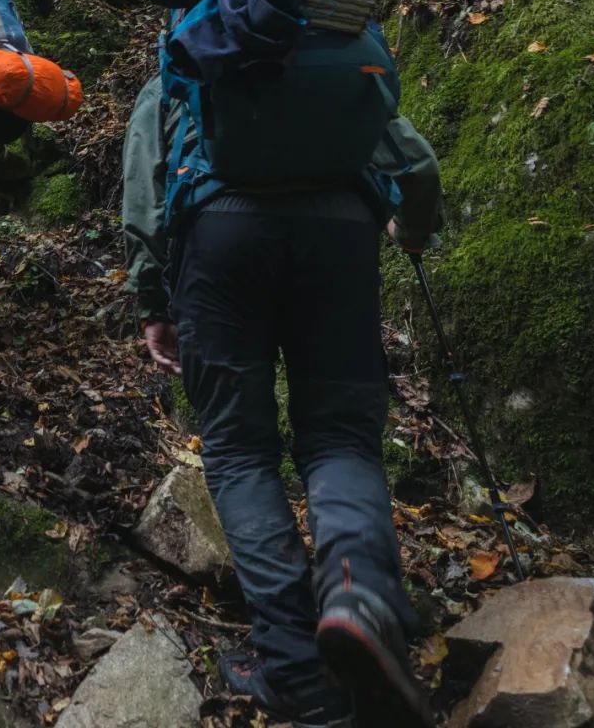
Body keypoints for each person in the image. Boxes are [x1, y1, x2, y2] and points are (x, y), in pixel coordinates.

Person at [123, 73, 441, 728]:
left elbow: (143, 196)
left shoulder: (188, 59)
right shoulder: (335, 59)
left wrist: (154, 299)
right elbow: (416, 160)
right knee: (342, 439)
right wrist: (412, 230)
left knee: (239, 454)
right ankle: (359, 601)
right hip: (342, 234)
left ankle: (298, 673)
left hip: (221, 237)